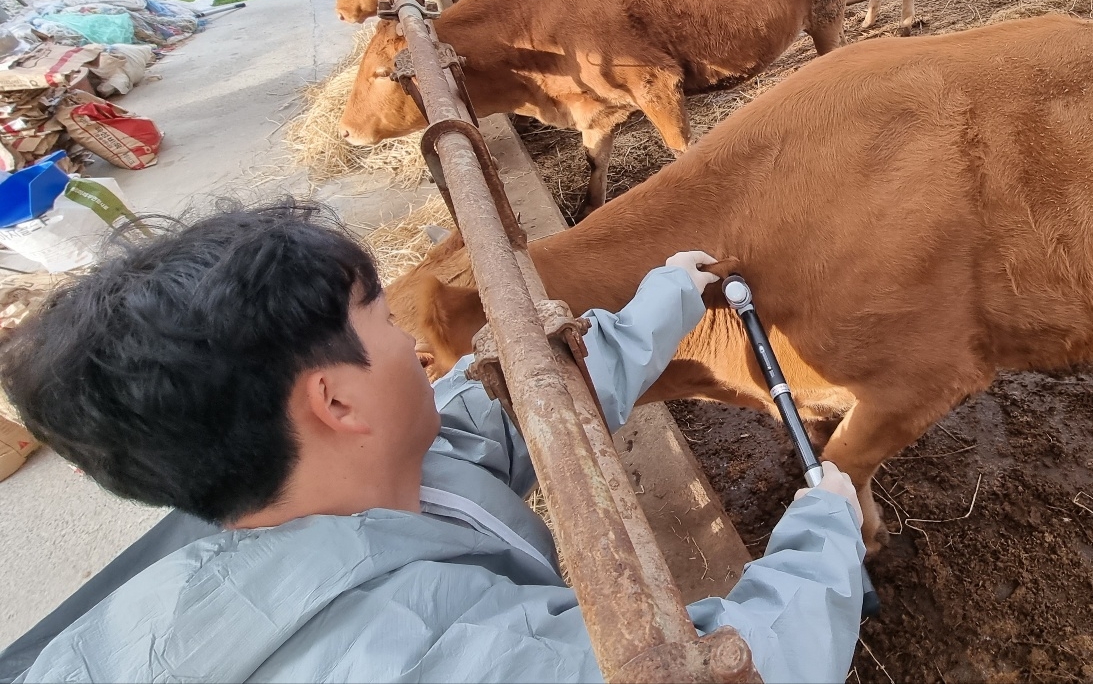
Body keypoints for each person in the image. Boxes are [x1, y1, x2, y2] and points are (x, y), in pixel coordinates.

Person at [1, 201, 868, 683]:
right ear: (335, 400)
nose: (421, 347)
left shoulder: (334, 480)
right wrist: (823, 533)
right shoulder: (424, 655)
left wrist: (667, 298)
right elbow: (747, 666)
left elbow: (508, 408)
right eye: (381, 317)